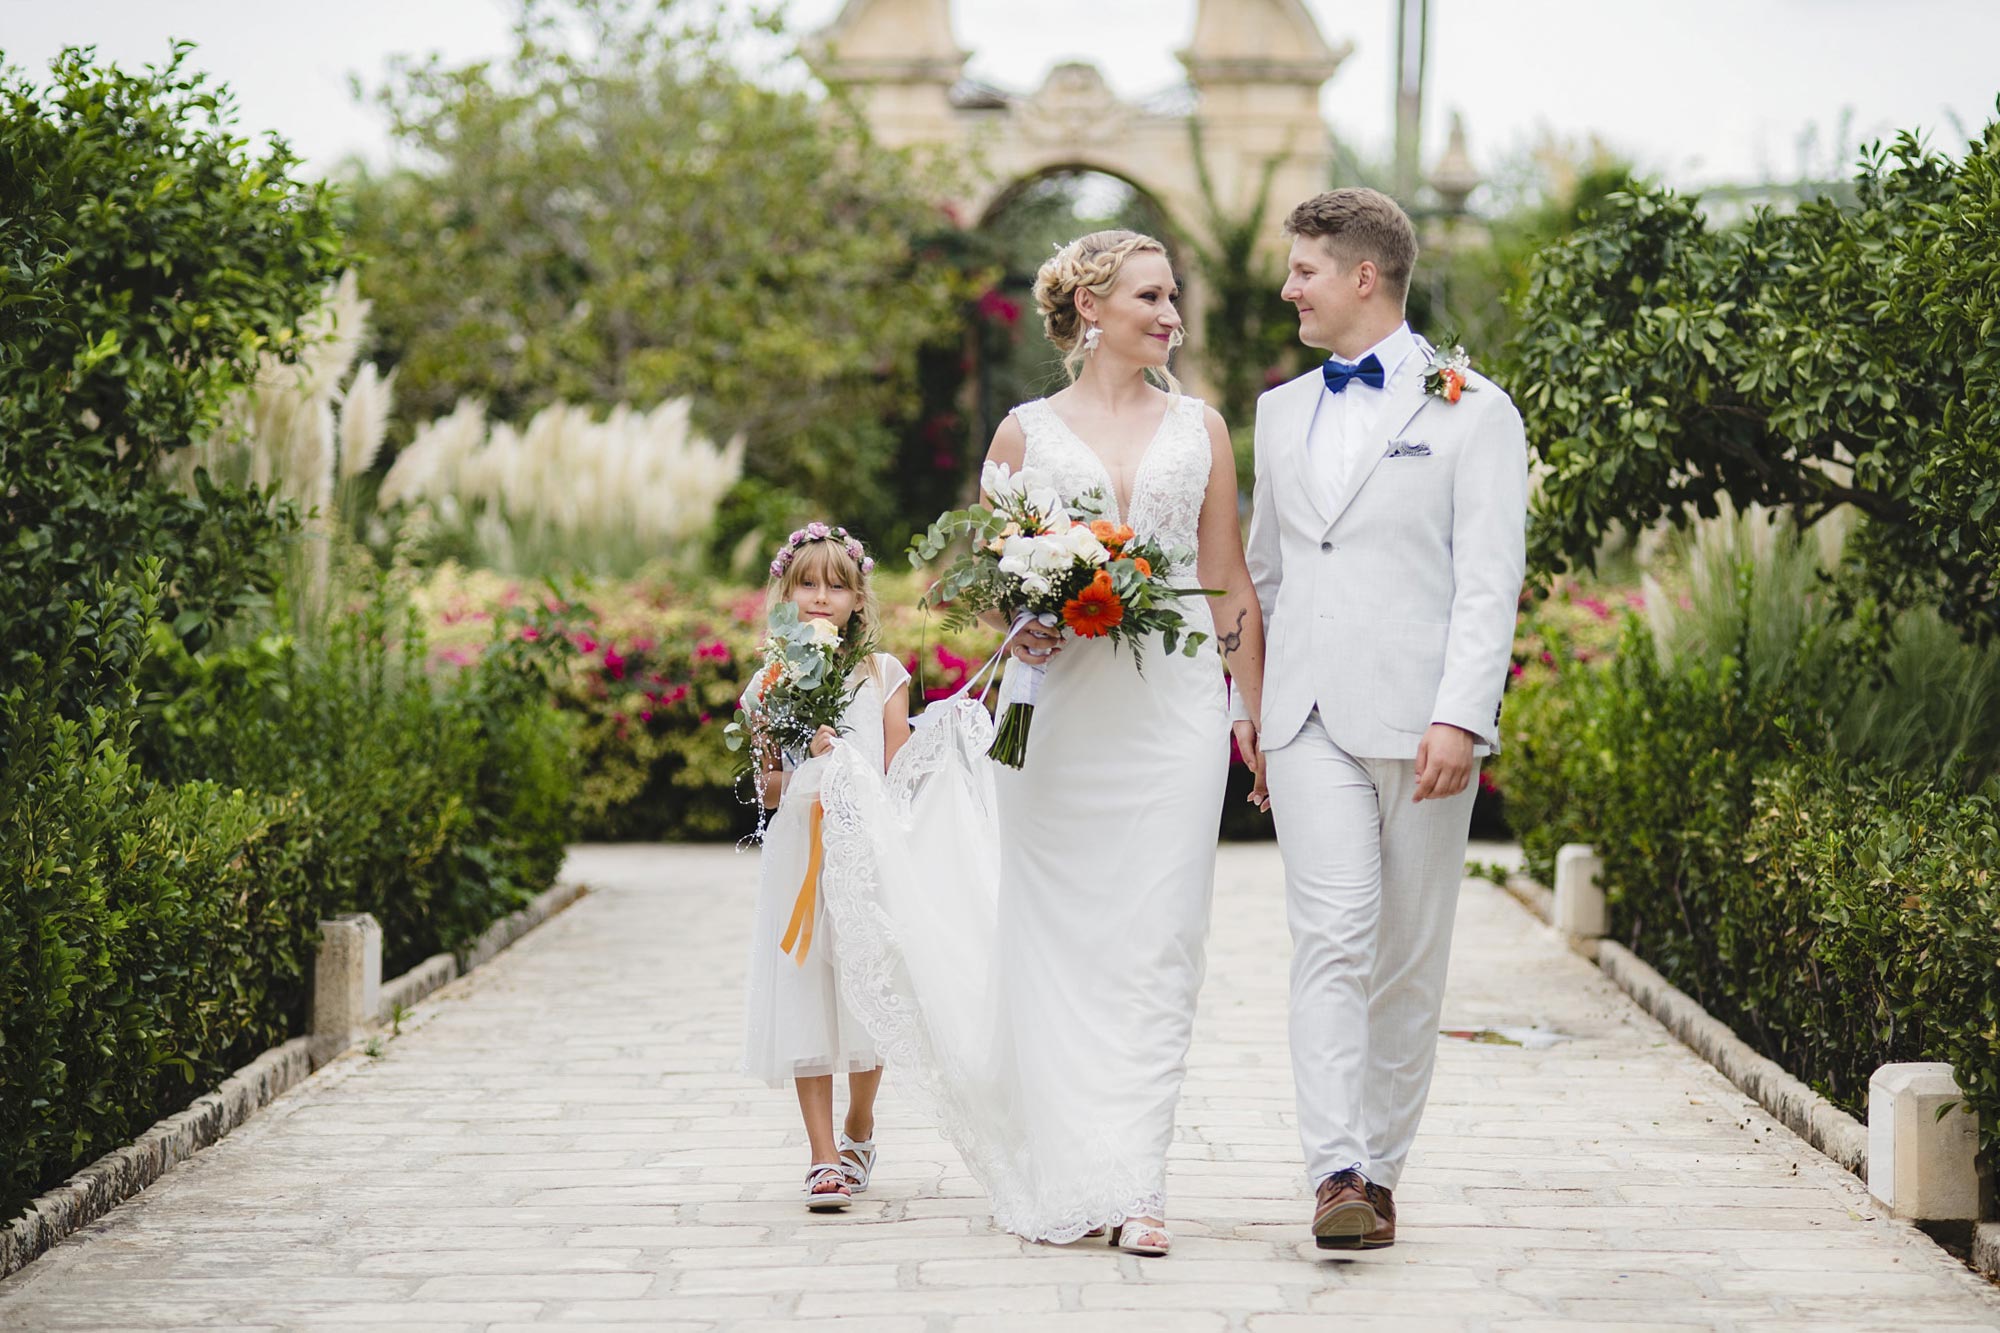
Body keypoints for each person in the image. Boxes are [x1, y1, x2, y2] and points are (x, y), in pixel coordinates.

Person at [818, 229, 1265, 1257]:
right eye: (1150, 297)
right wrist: (1020, 618)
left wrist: (1250, 713)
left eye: (1173, 297)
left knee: (1161, 938)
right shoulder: (1023, 435)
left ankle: (1141, 1180)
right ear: (1094, 308)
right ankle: (1073, 1169)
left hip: (1175, 712)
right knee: (1059, 936)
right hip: (1055, 710)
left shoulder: (1201, 428)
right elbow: (977, 588)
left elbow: (1229, 578)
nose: (1169, 315)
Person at [1236, 188, 1528, 1249]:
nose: (1287, 288)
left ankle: (1385, 1165)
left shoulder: (1473, 410)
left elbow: (1486, 582)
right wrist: (1251, 709)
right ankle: (1333, 1171)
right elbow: (1261, 572)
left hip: (1420, 724)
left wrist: (1460, 713)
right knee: (1329, 938)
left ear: (1363, 276)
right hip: (1303, 717)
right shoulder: (1275, 412)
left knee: (1406, 953)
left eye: (1303, 269)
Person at [738, 525, 911, 1211]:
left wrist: (850, 764)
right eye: (808, 582)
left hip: (866, 847)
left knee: (870, 984)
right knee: (807, 984)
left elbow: (898, 773)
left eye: (836, 584)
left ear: (857, 597)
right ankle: (822, 1157)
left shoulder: (882, 674)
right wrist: (806, 754)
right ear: (786, 592)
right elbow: (770, 792)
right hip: (799, 853)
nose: (821, 595)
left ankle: (860, 1123)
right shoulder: (768, 683)